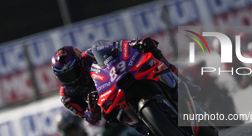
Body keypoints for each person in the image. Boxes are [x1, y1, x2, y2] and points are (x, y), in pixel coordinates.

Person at [51, 37, 199, 130]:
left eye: (73, 72)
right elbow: (91, 120)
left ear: (79, 62)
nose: (71, 78)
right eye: (65, 76)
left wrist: (136, 43)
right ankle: (151, 126)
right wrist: (92, 106)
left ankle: (182, 80)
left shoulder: (89, 54)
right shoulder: (67, 96)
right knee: (115, 120)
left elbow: (119, 47)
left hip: (118, 80)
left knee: (152, 51)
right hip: (109, 103)